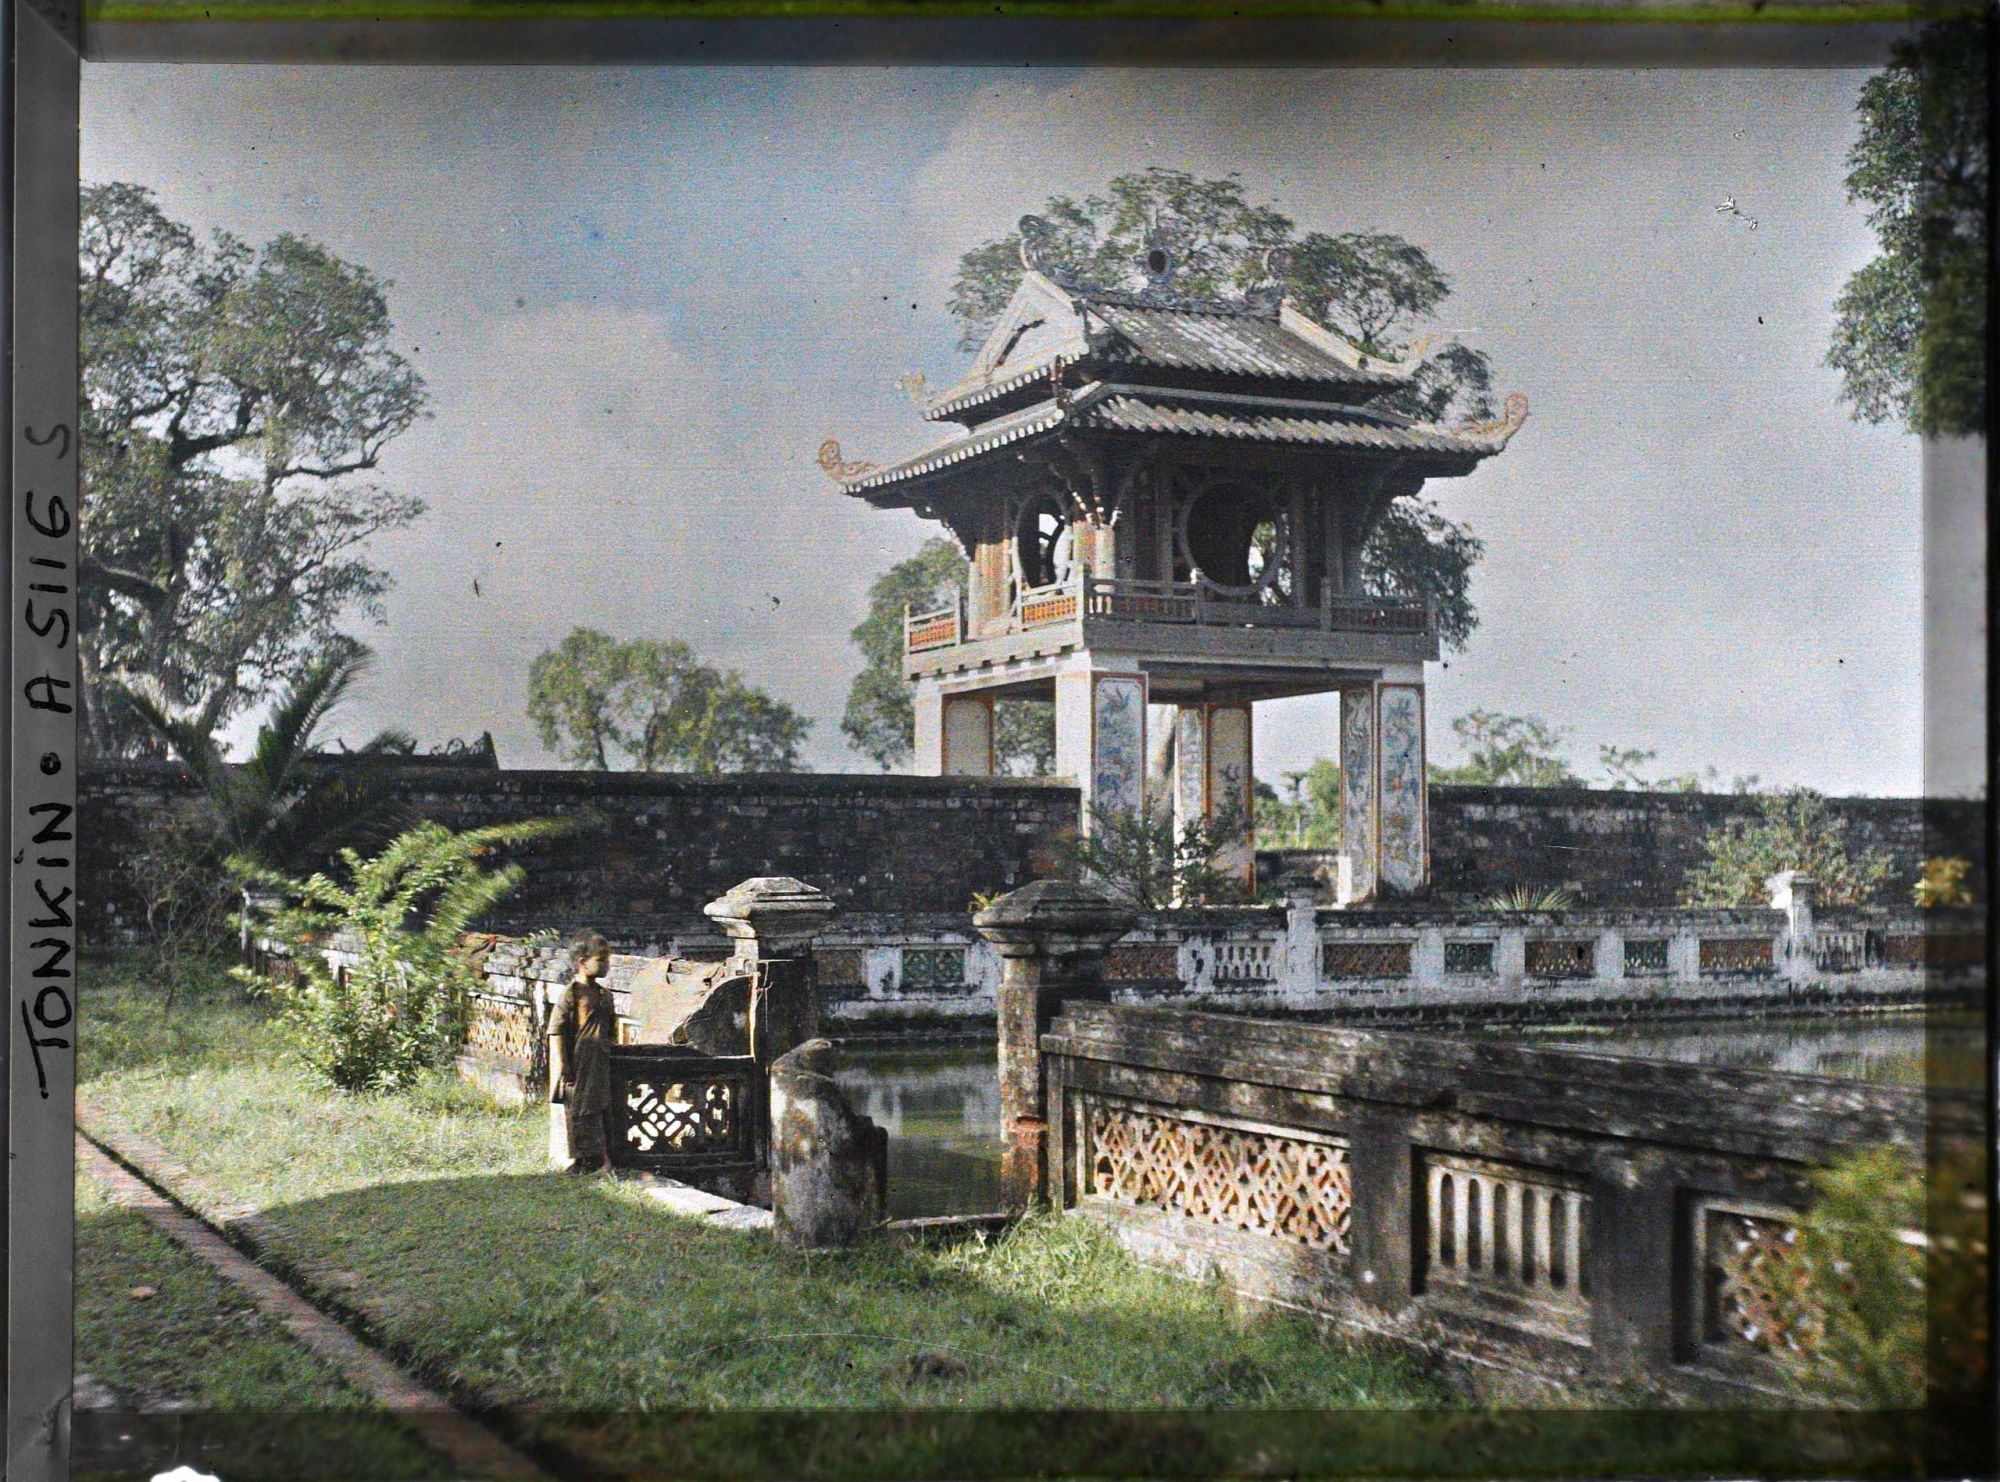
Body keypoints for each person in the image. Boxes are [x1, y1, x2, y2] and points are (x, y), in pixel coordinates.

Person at [550, 933, 616, 1174]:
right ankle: (582, 1158)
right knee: (579, 1110)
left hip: (601, 1061)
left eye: (607, 960)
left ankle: (602, 1160)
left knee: (600, 1109)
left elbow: (610, 1032)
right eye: (600, 960)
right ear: (582, 961)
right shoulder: (572, 994)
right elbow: (556, 1031)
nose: (606, 966)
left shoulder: (605, 996)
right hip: (579, 1062)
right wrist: (565, 1065)